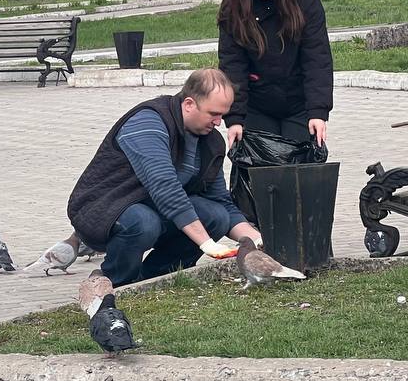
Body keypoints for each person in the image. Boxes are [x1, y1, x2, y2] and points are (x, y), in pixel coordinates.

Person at [65, 69, 261, 287]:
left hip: (152, 207)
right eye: (213, 114)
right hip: (102, 208)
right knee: (143, 222)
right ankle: (114, 283)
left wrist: (258, 241)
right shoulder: (148, 122)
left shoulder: (211, 142)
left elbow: (220, 201)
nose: (218, 122)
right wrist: (206, 243)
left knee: (217, 216)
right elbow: (164, 187)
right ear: (189, 104)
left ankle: (155, 279)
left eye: (222, 115)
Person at [218, 0, 334, 145]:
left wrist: (318, 111)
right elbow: (232, 63)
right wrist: (235, 118)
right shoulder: (233, 4)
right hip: (256, 104)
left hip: (299, 103)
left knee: (300, 161)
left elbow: (317, 57)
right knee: (259, 163)